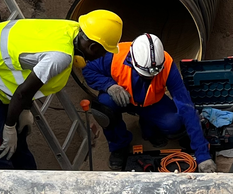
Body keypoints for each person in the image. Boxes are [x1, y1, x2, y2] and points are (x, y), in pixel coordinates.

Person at [0, 10, 123, 170]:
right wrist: (10, 126)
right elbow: (22, 93)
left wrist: (24, 109)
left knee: (18, 140)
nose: (103, 57)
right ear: (93, 47)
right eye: (104, 52)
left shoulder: (73, 29)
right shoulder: (60, 57)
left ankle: (33, 186)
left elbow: (29, 75)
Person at [83, 33, 216, 173]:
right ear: (131, 61)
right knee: (105, 108)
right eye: (145, 75)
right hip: (121, 98)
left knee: (175, 123)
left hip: (150, 101)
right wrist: (109, 86)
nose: (151, 78)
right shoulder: (114, 55)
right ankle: (119, 146)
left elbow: (186, 106)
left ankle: (148, 125)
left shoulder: (168, 66)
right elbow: (87, 70)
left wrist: (202, 156)